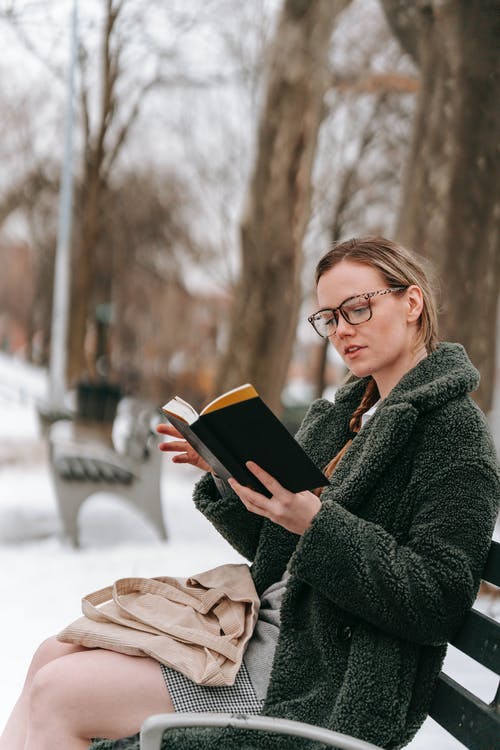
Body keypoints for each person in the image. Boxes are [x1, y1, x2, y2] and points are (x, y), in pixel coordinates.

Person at [1, 236, 498, 750]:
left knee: (59, 695)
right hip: (257, 634)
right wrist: (223, 470)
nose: (342, 330)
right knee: (49, 656)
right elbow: (274, 547)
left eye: (356, 308)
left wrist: (315, 523)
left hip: (319, 676)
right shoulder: (349, 416)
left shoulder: (453, 433)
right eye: (329, 317)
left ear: (411, 302)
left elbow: (439, 599)